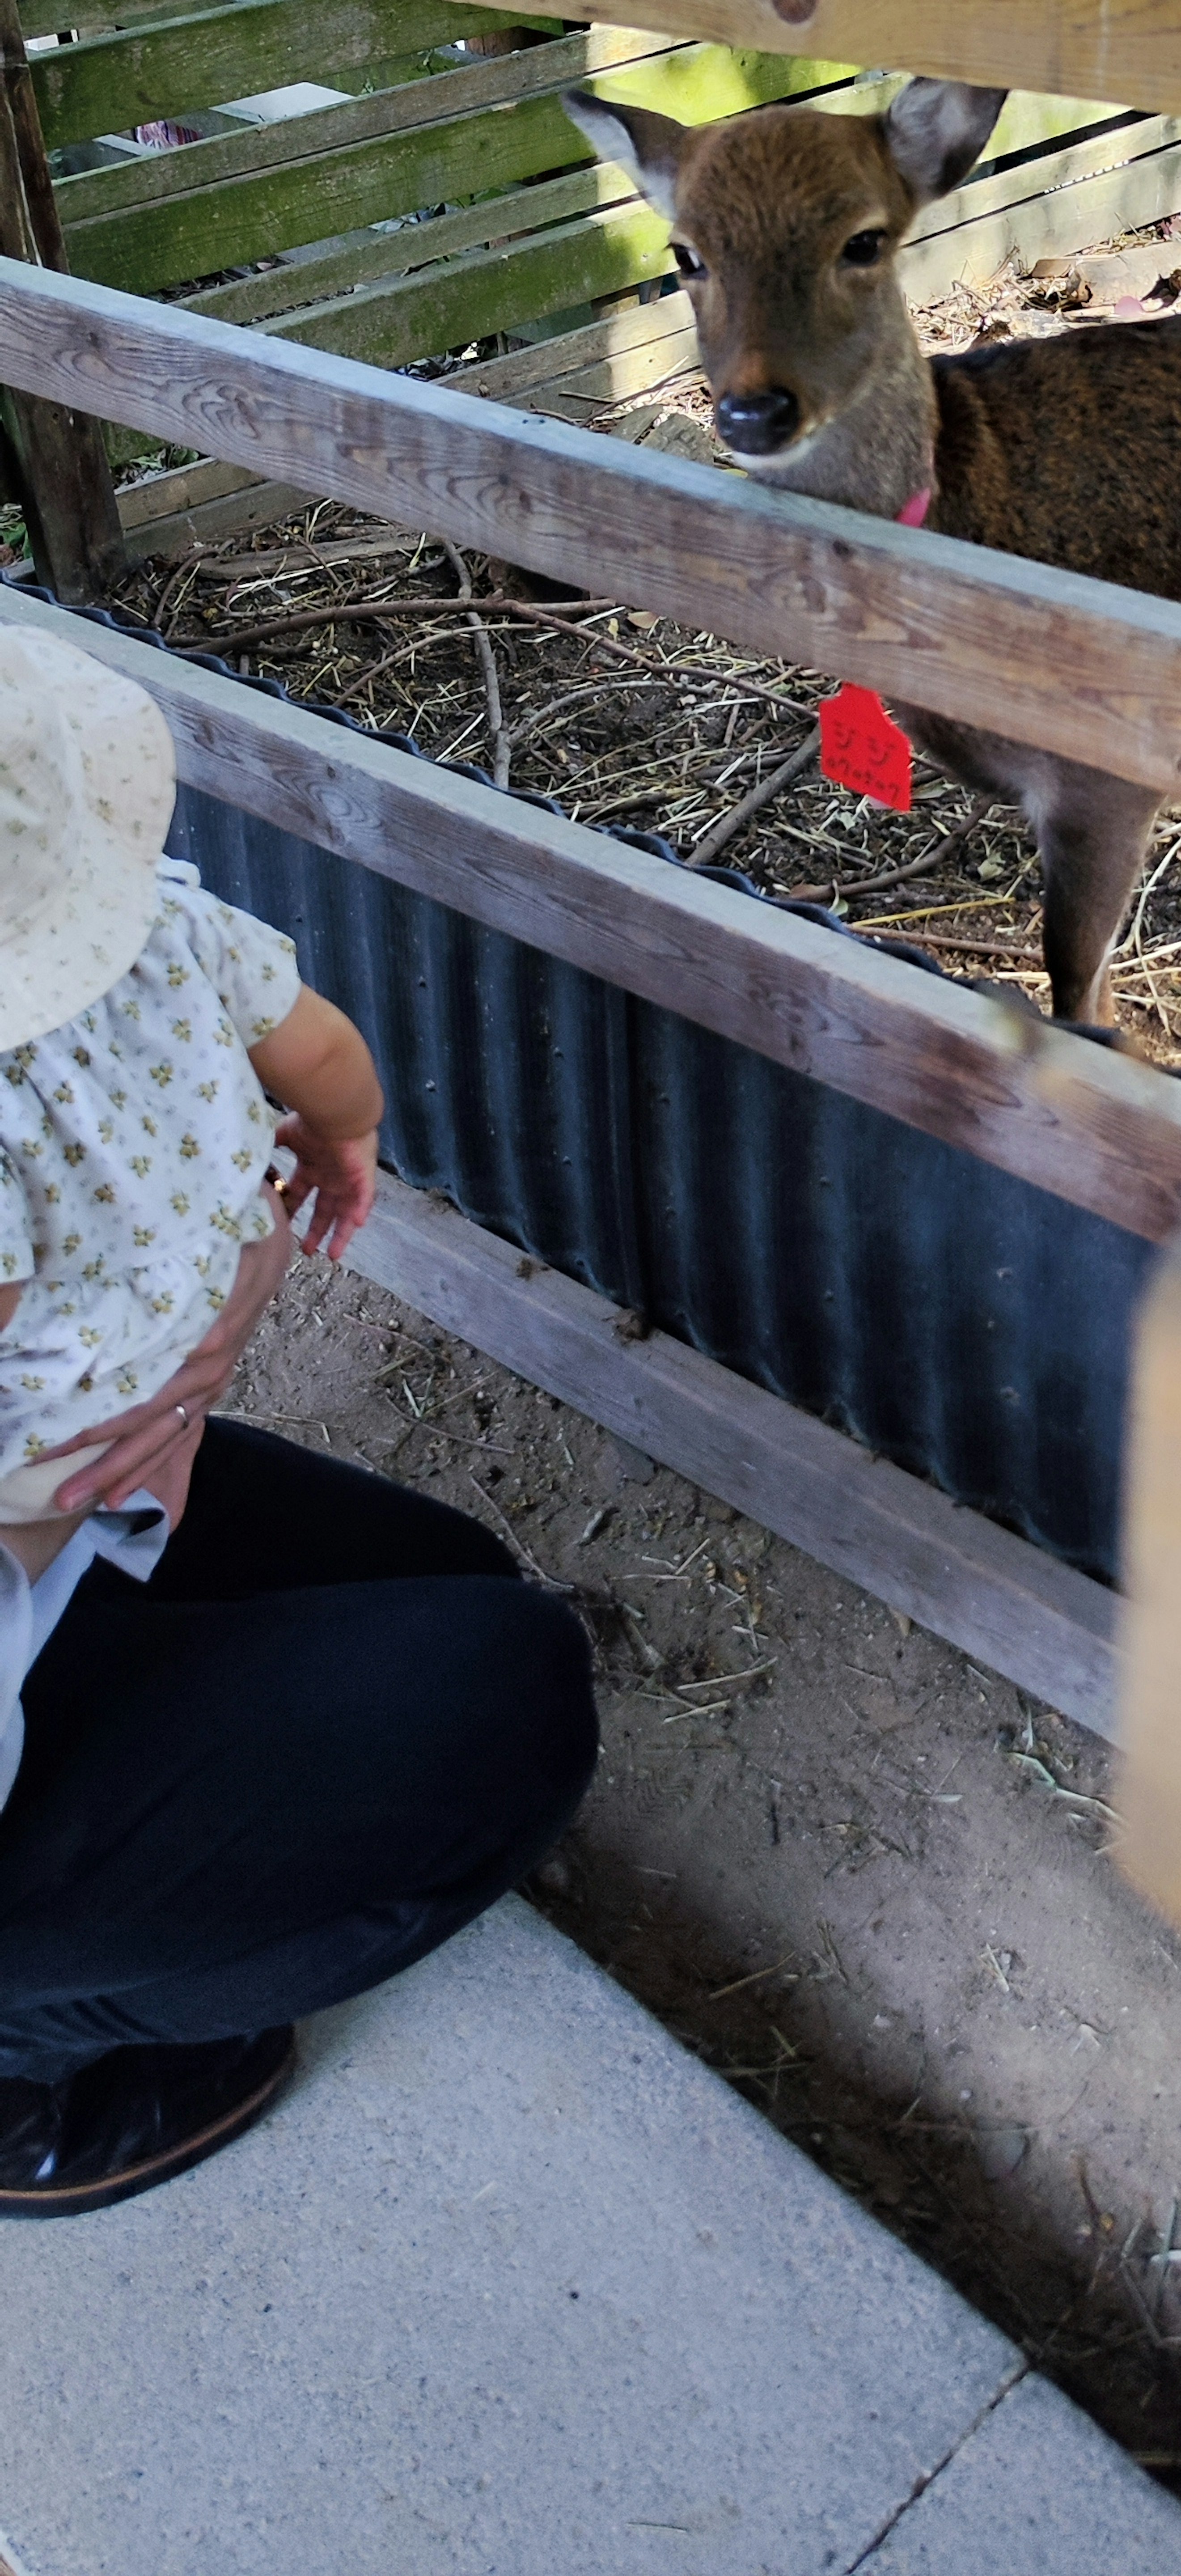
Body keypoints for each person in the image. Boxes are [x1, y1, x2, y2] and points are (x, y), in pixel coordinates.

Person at [0, 622, 597, 2216]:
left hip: (71, 1458)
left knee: (453, 1589)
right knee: (502, 1695)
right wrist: (310, 1190)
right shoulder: (174, 937)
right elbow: (325, 1060)